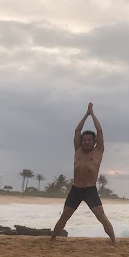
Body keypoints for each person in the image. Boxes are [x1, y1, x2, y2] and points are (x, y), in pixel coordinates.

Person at [51, 102, 116, 244]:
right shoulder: (78, 150)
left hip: (90, 190)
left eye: (89, 140)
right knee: (64, 216)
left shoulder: (98, 151)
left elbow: (99, 131)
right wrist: (86, 114)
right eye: (84, 140)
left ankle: (114, 241)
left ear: (94, 142)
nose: (86, 142)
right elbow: (77, 131)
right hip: (76, 189)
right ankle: (52, 240)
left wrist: (92, 114)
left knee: (101, 217)